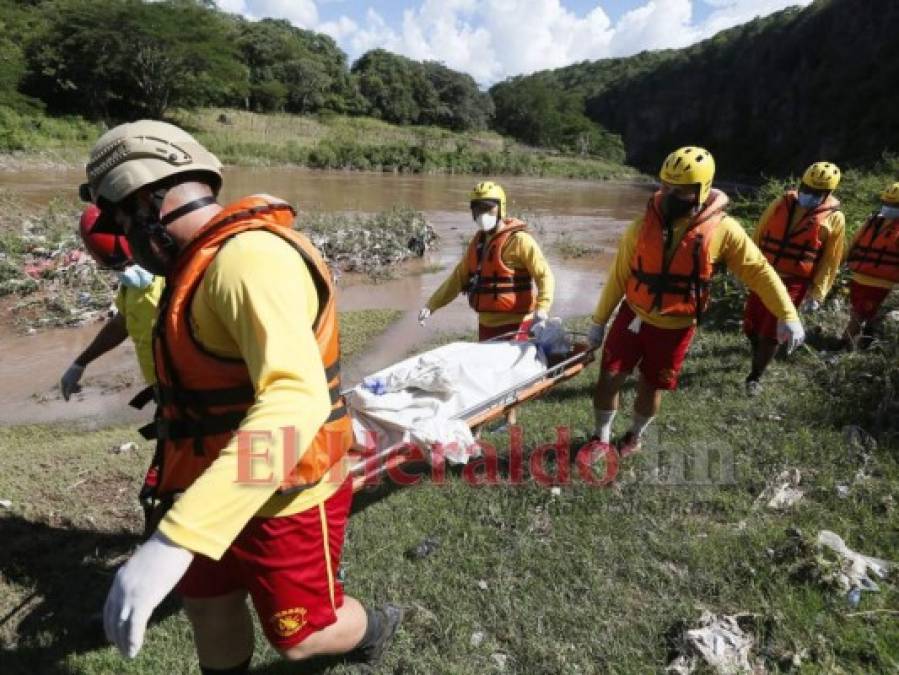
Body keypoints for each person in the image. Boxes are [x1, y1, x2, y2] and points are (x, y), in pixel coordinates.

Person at [81, 120, 401, 674]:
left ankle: (374, 627)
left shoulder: (248, 260)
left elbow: (295, 401)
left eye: (120, 220)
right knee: (209, 605)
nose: (122, 238)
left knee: (300, 636)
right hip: (202, 482)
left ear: (144, 201)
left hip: (285, 491)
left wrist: (177, 541)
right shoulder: (194, 266)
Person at [586, 146, 804, 457]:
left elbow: (758, 271)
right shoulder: (641, 226)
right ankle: (601, 439)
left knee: (650, 386)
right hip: (633, 317)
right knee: (608, 378)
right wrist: (597, 322)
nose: (670, 194)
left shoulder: (725, 230)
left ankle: (633, 436)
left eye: (682, 190)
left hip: (675, 327)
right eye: (666, 186)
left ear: (702, 189)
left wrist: (787, 313)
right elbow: (619, 276)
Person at [743, 162, 845, 393]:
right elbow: (759, 234)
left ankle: (755, 377)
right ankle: (756, 350)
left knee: (771, 333)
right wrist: (746, 268)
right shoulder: (782, 202)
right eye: (806, 188)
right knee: (751, 326)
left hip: (794, 282)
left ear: (828, 193)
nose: (808, 194)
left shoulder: (835, 219)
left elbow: (831, 260)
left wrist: (817, 293)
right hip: (763, 273)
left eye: (816, 192)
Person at [418, 181, 555, 341]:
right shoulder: (478, 243)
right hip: (486, 325)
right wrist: (432, 305)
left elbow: (544, 276)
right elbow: (458, 278)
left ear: (500, 208)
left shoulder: (520, 241)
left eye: (488, 208)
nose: (482, 214)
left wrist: (542, 308)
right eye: (478, 209)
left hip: (518, 325)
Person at [59, 205, 164, 400]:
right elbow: (121, 324)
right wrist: (80, 363)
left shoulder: (176, 276)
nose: (128, 272)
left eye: (131, 264)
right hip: (167, 398)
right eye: (120, 268)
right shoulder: (131, 288)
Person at [842, 181, 899, 348]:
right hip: (859, 277)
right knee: (860, 314)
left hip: (881, 283)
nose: (888, 207)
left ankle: (843, 345)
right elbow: (854, 242)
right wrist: (841, 261)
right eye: (886, 203)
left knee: (860, 314)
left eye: (894, 204)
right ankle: (863, 344)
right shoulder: (873, 221)